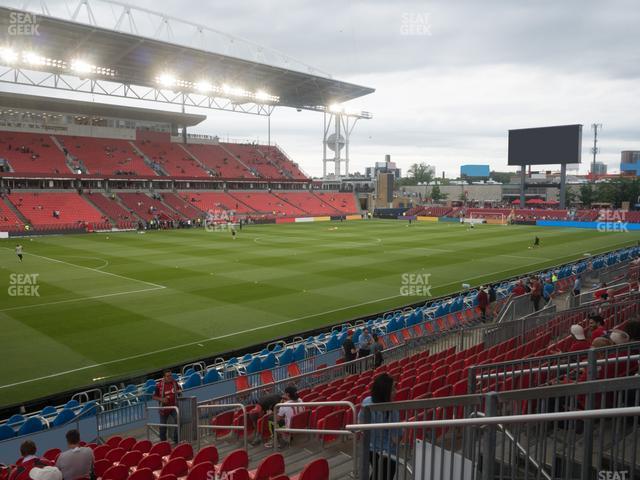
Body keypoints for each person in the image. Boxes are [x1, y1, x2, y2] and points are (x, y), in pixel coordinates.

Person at [358, 374, 399, 480]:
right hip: (387, 453)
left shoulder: (366, 402)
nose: (396, 391)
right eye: (393, 389)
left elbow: (361, 424)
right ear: (384, 392)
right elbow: (395, 439)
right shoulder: (393, 409)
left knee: (377, 474)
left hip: (370, 450)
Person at [152, 370, 182, 443]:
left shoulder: (174, 382)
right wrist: (162, 399)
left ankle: (176, 439)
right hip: (164, 409)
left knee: (179, 421)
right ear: (164, 377)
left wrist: (179, 392)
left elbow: (179, 389)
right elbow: (154, 397)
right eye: (168, 376)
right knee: (163, 427)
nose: (169, 377)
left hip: (174, 407)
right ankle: (163, 442)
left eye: (170, 375)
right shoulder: (159, 385)